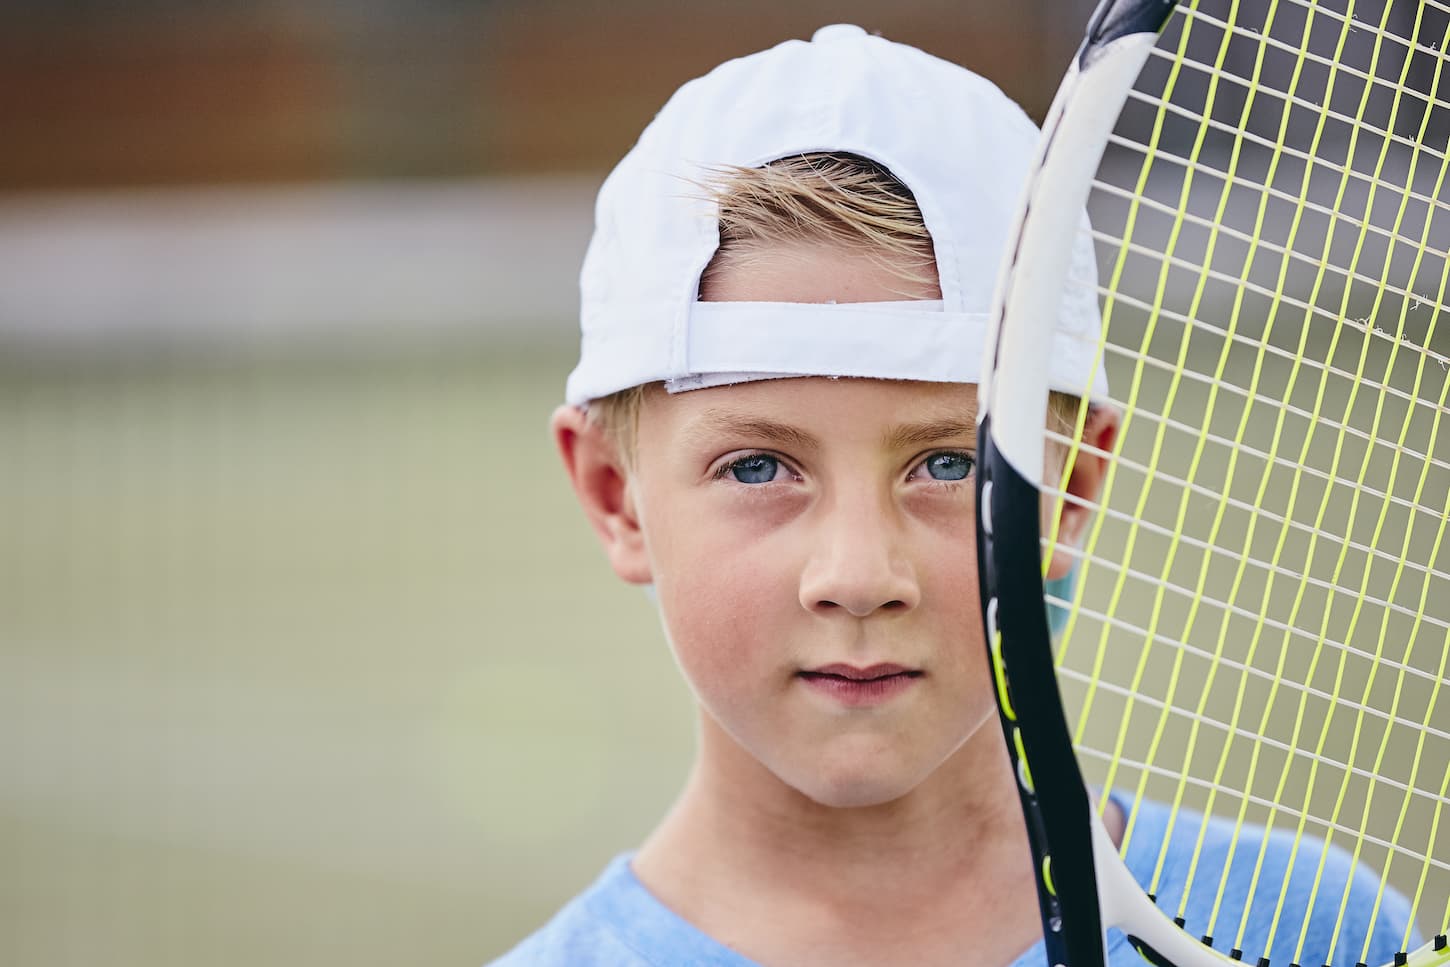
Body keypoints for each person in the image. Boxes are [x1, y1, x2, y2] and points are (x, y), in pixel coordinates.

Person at [492, 25, 1413, 966]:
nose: (856, 575)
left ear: (1072, 486)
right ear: (616, 495)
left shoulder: (1311, 929)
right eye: (758, 467)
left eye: (948, 464)